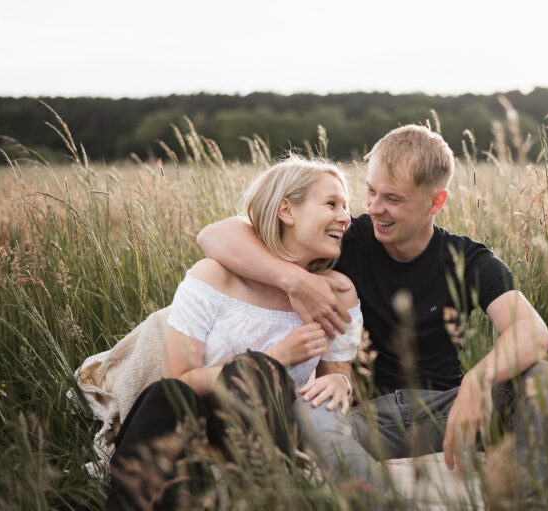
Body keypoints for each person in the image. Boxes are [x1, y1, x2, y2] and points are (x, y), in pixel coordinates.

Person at [197, 125, 548, 505]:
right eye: (370, 191)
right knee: (309, 410)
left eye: (392, 199)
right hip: (365, 420)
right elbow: (214, 235)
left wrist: (476, 381)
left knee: (541, 376)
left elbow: (534, 333)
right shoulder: (347, 239)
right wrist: (292, 279)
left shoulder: (468, 259)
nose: (373, 208)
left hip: (449, 411)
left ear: (435, 203)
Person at [106, 156, 363, 510]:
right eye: (332, 204)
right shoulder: (213, 276)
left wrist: (341, 384)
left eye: (346, 207)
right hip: (196, 423)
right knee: (170, 393)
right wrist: (277, 358)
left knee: (255, 373)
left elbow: (339, 378)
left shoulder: (337, 292)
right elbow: (178, 379)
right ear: (286, 211)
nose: (346, 217)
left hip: (270, 435)